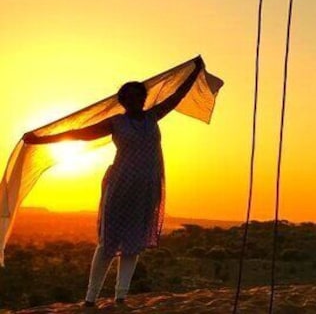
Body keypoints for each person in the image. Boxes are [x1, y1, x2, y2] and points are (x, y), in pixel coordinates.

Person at [23, 56, 205, 308]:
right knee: (109, 241)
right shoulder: (116, 122)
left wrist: (194, 72)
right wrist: (41, 139)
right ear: (122, 101)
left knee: (134, 242)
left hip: (146, 188)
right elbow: (79, 134)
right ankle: (91, 297)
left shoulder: (153, 116)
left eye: (138, 96)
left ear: (144, 97)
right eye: (128, 97)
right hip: (120, 186)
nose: (134, 100)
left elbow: (176, 97)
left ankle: (121, 295)